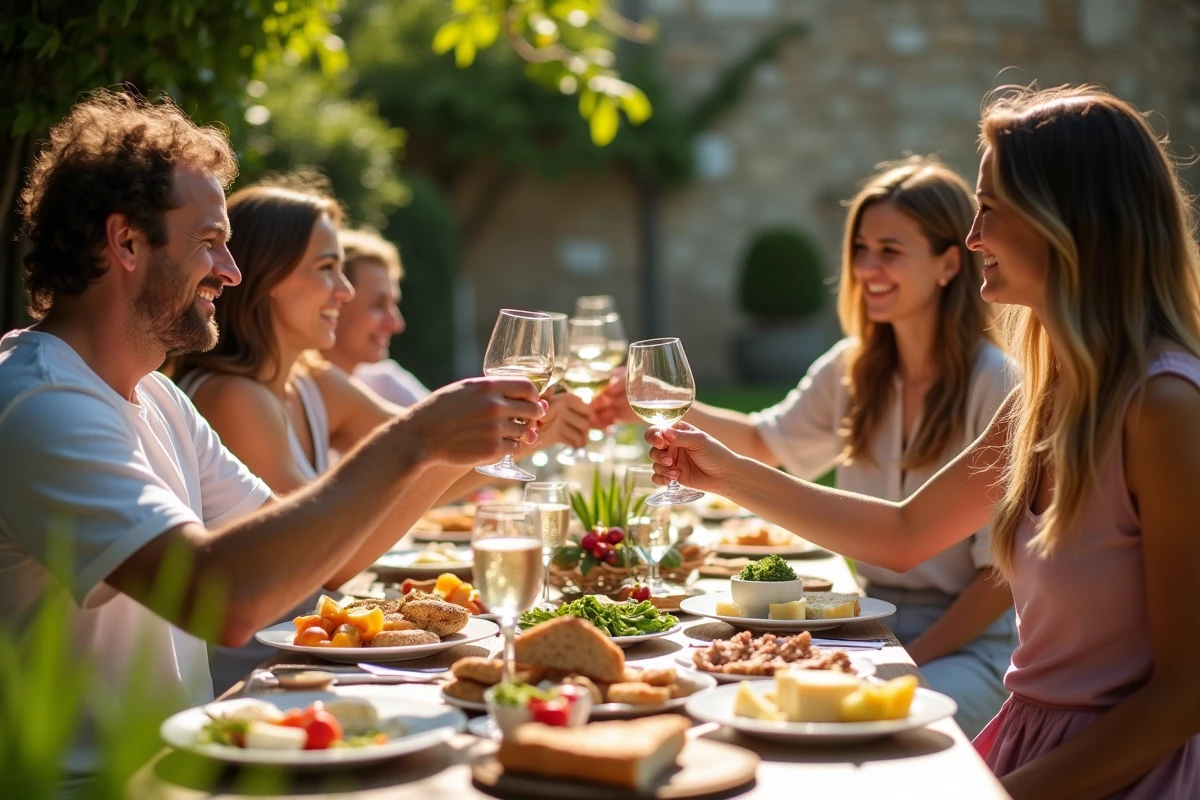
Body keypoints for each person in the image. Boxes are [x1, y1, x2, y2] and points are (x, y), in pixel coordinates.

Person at [643, 85, 1200, 798]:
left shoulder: (1164, 406)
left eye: (990, 209)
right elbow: (906, 532)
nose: (973, 239)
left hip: (1113, 773)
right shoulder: (1052, 392)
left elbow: (1185, 696)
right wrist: (724, 476)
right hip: (1029, 741)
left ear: (1068, 221)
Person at [0, 90, 545, 772]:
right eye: (210, 244)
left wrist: (438, 449)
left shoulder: (157, 397)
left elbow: (311, 561)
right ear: (126, 242)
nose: (228, 273)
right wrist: (413, 440)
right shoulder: (40, 402)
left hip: (184, 763)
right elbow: (219, 598)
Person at [594, 155, 1017, 737]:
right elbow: (768, 442)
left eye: (890, 251)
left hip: (968, 647)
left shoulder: (997, 382)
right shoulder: (854, 367)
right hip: (869, 619)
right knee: (734, 689)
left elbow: (1000, 580)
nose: (867, 267)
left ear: (949, 263)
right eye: (861, 249)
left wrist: (902, 657)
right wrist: (662, 397)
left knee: (833, 724)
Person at [165, 178, 586, 689]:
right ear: (265, 279)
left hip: (328, 654)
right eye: (327, 270)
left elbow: (418, 460)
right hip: (270, 675)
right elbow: (327, 564)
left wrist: (514, 432)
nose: (343, 291)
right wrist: (455, 441)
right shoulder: (232, 397)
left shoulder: (311, 379)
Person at [320, 227, 430, 407]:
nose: (395, 324)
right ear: (334, 302)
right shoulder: (295, 395)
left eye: (393, 305)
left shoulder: (383, 382)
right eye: (377, 305)